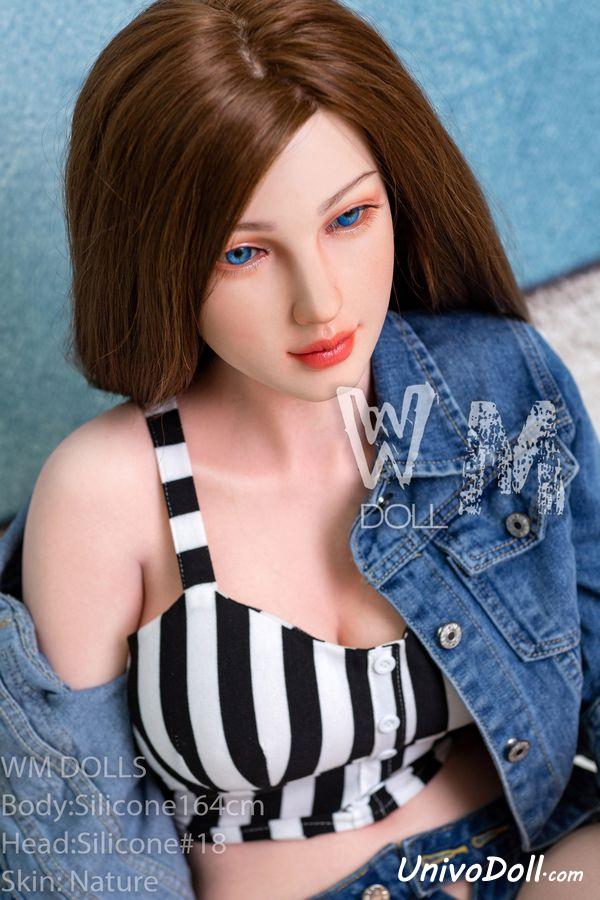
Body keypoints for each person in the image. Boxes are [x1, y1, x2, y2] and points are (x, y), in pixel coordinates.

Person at [14, 0, 600, 897]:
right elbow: (82, 846)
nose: (320, 303)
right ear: (158, 261)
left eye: (349, 217)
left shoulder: (493, 386)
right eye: (243, 254)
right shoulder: (105, 495)